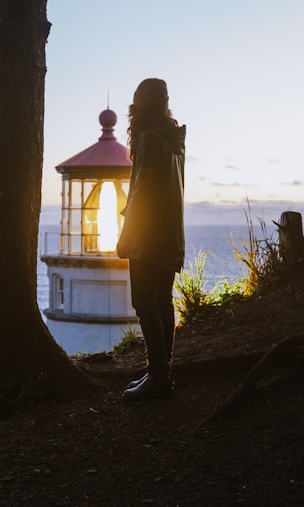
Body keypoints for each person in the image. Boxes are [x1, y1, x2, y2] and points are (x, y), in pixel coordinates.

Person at [116, 78, 186, 401]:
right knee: (161, 300)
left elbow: (141, 192)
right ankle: (162, 372)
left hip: (147, 237)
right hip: (170, 234)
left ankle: (158, 376)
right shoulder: (175, 141)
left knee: (145, 302)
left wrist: (126, 236)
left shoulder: (146, 139)